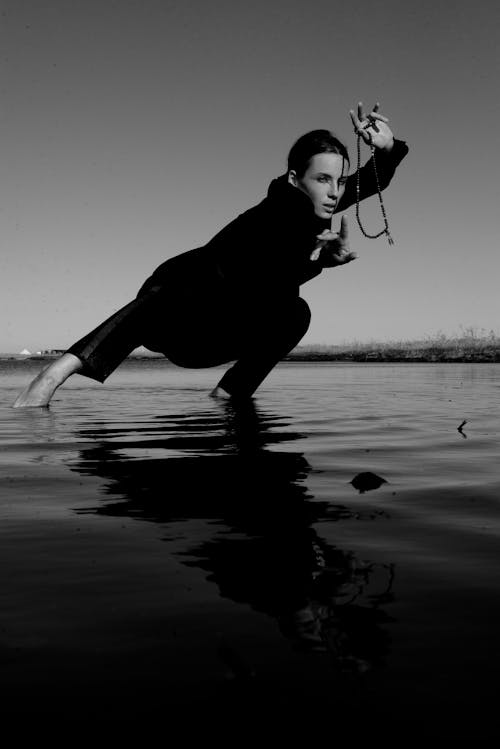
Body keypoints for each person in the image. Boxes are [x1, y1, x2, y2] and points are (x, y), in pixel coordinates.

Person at [14, 102, 408, 408]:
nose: (335, 191)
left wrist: (387, 147)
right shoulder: (275, 212)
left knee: (295, 312)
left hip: (222, 330)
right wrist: (317, 262)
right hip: (179, 319)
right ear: (294, 180)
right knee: (180, 285)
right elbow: (265, 266)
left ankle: (228, 396)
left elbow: (364, 185)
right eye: (323, 179)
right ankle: (49, 377)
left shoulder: (312, 208)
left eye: (338, 180)